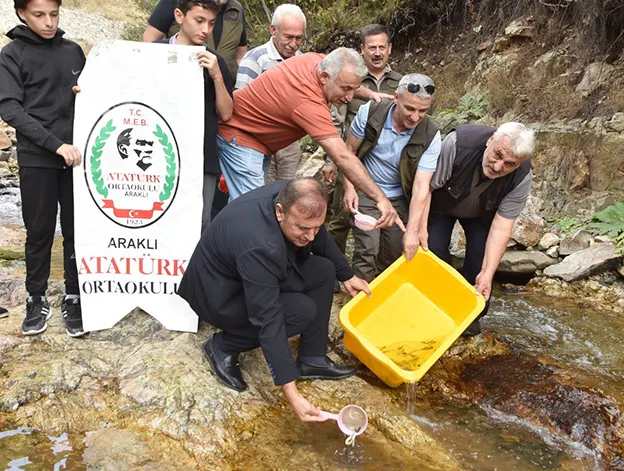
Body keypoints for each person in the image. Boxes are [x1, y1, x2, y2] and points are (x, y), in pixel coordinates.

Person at [177, 178, 370, 423]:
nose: (310, 237)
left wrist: (347, 274)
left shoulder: (293, 194)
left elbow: (315, 234)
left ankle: (312, 359)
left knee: (323, 270)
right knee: (301, 311)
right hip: (219, 294)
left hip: (248, 274)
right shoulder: (259, 246)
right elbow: (267, 317)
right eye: (302, 229)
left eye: (316, 227)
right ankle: (223, 346)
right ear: (280, 212)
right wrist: (291, 393)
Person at [216, 47, 404, 231]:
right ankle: (232, 255)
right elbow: (342, 157)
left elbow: (345, 80)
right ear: (324, 78)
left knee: (241, 208)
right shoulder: (308, 102)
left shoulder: (317, 61)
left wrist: (369, 94)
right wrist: (380, 198)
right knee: (252, 213)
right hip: (240, 137)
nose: (349, 98)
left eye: (353, 89)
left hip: (259, 139)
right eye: (345, 89)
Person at [0, 0, 85, 337]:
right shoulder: (12, 55)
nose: (49, 22)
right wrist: (55, 145)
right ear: (21, 13)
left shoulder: (73, 51)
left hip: (77, 157)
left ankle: (75, 295)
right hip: (39, 158)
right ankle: (36, 297)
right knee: (39, 231)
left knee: (78, 229)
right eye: (39, 15)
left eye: (54, 14)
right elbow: (10, 108)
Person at [425, 123, 535, 336]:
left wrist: (487, 273)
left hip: (482, 216)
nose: (498, 166)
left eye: (509, 164)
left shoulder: (522, 177)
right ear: (490, 140)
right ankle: (436, 308)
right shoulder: (458, 144)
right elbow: (426, 188)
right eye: (497, 155)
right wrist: (417, 229)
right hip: (440, 207)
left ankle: (471, 316)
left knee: (480, 265)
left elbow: (502, 228)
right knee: (435, 256)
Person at [342, 74, 440, 281]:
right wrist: (350, 189)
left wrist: (413, 231)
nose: (415, 117)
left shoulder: (431, 135)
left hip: (399, 197)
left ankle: (382, 299)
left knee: (395, 253)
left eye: (423, 111)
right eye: (410, 109)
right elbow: (349, 152)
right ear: (396, 98)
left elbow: (422, 187)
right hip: (366, 188)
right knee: (367, 247)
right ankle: (359, 302)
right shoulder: (370, 112)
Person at [154, 0, 234, 232]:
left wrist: (217, 76)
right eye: (199, 21)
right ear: (179, 16)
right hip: (159, 153)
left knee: (198, 224)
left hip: (202, 158)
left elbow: (226, 114)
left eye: (210, 23)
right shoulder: (154, 52)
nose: (205, 30)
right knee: (160, 220)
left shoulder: (215, 61)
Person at [324, 23, 402, 254]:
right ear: (362, 49)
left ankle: (376, 271)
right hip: (349, 156)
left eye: (381, 47)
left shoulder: (401, 83)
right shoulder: (349, 78)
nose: (377, 53)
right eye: (371, 48)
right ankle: (334, 268)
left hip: (386, 165)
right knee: (341, 216)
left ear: (390, 49)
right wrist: (331, 161)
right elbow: (335, 121)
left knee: (381, 216)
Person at [235, 3, 305, 184]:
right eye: (288, 37)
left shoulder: (302, 60)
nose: (293, 44)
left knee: (286, 192)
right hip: (258, 140)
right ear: (273, 30)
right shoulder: (255, 59)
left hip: (290, 142)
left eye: (299, 38)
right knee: (260, 193)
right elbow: (239, 105)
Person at [143, 0, 248, 81]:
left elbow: (241, 56)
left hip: (223, 89)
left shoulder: (237, 9)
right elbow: (150, 40)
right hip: (178, 82)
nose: (206, 30)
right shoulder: (176, 2)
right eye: (199, 21)